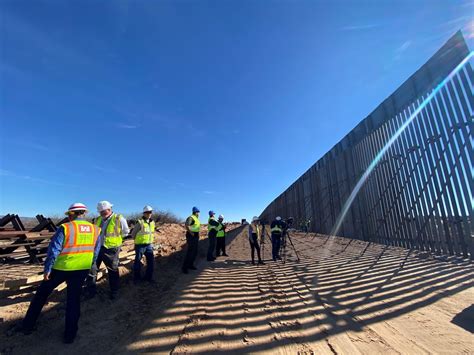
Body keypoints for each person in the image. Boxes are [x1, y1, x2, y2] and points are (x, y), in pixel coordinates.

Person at [16, 203, 100, 344]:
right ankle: (70, 336)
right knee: (74, 302)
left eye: (68, 215)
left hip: (62, 268)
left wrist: (47, 268)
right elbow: (95, 252)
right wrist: (90, 266)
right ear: (84, 213)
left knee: (41, 295)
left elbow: (54, 249)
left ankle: (27, 326)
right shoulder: (95, 229)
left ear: (71, 214)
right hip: (81, 270)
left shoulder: (66, 227)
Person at [85, 200, 129, 300]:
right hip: (97, 248)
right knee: (92, 269)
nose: (102, 213)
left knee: (112, 270)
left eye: (104, 211)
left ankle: (115, 291)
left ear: (110, 209)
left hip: (111, 249)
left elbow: (126, 232)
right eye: (100, 212)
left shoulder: (119, 218)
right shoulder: (98, 219)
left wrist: (116, 241)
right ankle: (91, 291)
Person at [131, 205, 156, 284]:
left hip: (149, 245)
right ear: (144, 213)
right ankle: (137, 279)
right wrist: (138, 241)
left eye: (150, 212)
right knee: (137, 262)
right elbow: (133, 234)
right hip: (140, 246)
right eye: (147, 212)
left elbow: (151, 233)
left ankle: (148, 278)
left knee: (151, 262)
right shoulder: (140, 222)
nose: (149, 214)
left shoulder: (152, 222)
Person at [182, 206, 201, 274]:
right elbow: (187, 225)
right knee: (190, 252)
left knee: (194, 251)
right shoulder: (191, 217)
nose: (199, 213)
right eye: (198, 212)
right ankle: (185, 268)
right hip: (191, 236)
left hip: (195, 236)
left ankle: (190, 265)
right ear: (196, 212)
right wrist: (191, 233)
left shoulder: (196, 218)